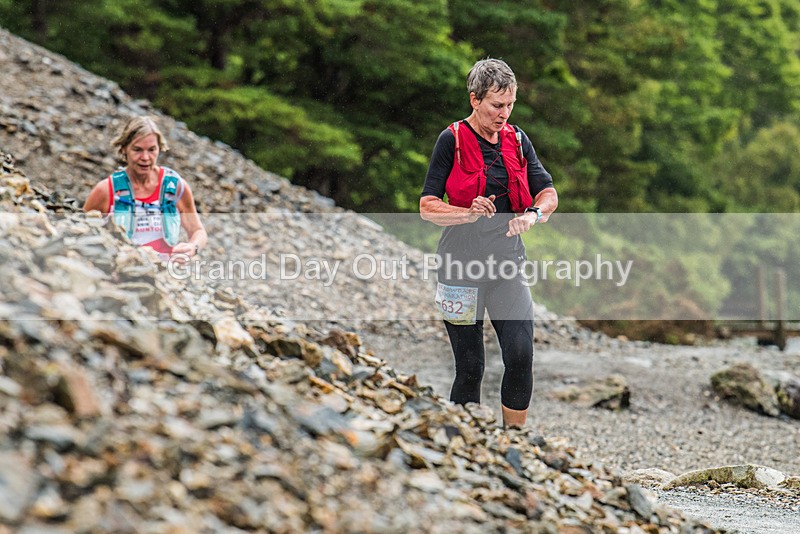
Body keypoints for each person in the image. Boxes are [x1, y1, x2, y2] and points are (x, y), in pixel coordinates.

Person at [420, 58, 558, 428]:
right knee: (470, 367)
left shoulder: (517, 139)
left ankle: (515, 443)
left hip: (506, 266)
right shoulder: (451, 140)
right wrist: (465, 212)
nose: (504, 113)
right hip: (459, 269)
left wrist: (533, 215)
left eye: (510, 105)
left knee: (520, 354)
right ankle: (469, 446)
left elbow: (548, 192)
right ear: (475, 100)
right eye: (497, 105)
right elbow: (427, 206)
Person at [84, 115, 206, 263]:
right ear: (124, 149)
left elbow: (197, 231)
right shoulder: (106, 190)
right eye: (137, 150)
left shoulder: (175, 187)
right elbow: (81, 232)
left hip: (166, 277)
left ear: (160, 149)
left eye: (152, 150)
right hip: (121, 274)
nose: (145, 157)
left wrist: (193, 247)